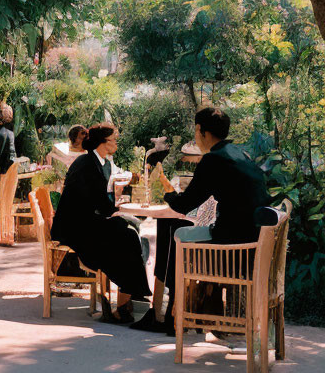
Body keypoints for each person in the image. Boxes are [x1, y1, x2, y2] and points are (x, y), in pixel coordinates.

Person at [132, 107, 270, 333]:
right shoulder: (239, 154)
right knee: (180, 229)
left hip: (231, 248)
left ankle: (172, 316)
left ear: (200, 131)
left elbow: (184, 205)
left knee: (176, 232)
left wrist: (167, 191)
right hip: (253, 242)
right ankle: (182, 311)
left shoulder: (213, 159)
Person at [51, 122, 151, 323]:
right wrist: (118, 207)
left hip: (85, 221)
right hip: (76, 229)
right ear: (102, 143)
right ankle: (127, 301)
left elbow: (100, 201)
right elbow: (99, 204)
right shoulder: (87, 165)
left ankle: (129, 297)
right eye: (113, 140)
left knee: (128, 232)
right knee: (127, 235)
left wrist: (117, 207)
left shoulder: (99, 163)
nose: (116, 143)